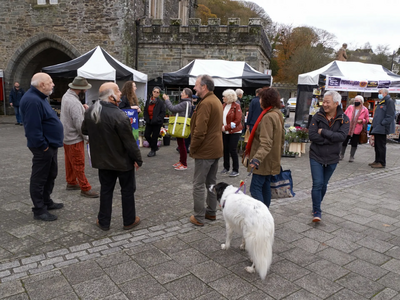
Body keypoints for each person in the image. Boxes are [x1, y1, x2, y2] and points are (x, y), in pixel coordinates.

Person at [81, 82, 143, 231]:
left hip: (103, 160)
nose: (120, 93)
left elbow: (84, 129)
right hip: (123, 161)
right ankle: (129, 220)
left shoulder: (91, 112)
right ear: (111, 96)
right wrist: (138, 160)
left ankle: (103, 221)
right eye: (117, 91)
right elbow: (130, 142)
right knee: (127, 191)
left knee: (106, 190)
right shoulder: (118, 115)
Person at [19, 73, 64, 221]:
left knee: (51, 174)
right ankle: (39, 210)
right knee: (40, 178)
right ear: (41, 85)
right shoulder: (32, 100)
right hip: (43, 147)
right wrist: (43, 146)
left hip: (50, 145)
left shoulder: (40, 97)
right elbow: (33, 128)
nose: (53, 84)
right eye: (50, 82)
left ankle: (46, 201)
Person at [309, 91, 349, 222]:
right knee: (317, 183)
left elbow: (342, 137)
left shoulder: (344, 118)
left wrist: (324, 132)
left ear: (336, 104)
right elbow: (312, 135)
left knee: (324, 184)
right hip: (316, 154)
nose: (324, 104)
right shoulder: (317, 116)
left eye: (327, 102)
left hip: (332, 157)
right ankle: (317, 211)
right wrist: (330, 139)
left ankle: (316, 203)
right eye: (323, 102)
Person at [189, 74, 223, 226]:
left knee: (198, 184)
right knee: (211, 183)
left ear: (204, 87)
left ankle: (199, 217)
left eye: (196, 85)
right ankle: (211, 212)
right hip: (215, 148)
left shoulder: (206, 103)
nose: (194, 88)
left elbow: (200, 131)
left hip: (205, 150)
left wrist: (193, 148)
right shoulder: (215, 100)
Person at [60, 76, 99, 198]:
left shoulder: (67, 96)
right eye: (85, 89)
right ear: (80, 89)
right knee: (78, 163)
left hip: (66, 136)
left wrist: (82, 109)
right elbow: (80, 125)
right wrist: (88, 138)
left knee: (70, 162)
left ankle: (71, 182)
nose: (86, 91)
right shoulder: (74, 102)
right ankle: (85, 188)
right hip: (74, 138)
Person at [246, 88, 284, 208]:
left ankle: (262, 215)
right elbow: (281, 138)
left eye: (261, 98)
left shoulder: (268, 117)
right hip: (272, 158)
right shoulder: (277, 113)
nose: (259, 101)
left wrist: (256, 159)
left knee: (255, 188)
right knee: (265, 186)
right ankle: (266, 213)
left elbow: (266, 142)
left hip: (264, 160)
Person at [163, 88, 193, 170]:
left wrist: (167, 100)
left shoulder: (185, 103)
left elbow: (172, 108)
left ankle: (184, 163)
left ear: (187, 95)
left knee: (182, 145)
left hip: (181, 125)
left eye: (183, 93)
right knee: (180, 144)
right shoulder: (187, 102)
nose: (181, 94)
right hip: (181, 124)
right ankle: (181, 161)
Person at [369, 88, 396, 168]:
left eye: (380, 93)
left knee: (381, 145)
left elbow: (390, 115)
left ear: (385, 93)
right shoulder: (381, 102)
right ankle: (377, 160)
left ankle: (381, 162)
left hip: (382, 127)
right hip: (377, 127)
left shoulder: (389, 102)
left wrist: (383, 123)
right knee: (377, 145)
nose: (378, 94)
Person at [220, 89, 243, 177]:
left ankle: (235, 169)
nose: (223, 98)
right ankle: (226, 167)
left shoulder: (236, 106)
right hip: (225, 131)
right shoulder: (223, 106)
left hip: (235, 131)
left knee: (232, 149)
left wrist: (225, 127)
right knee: (225, 149)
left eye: (224, 97)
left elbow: (237, 120)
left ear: (229, 97)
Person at [340, 95, 369, 162]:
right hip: (347, 127)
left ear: (361, 102)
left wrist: (362, 121)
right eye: (355, 100)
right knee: (344, 142)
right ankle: (341, 155)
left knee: (354, 143)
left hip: (357, 129)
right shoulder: (350, 107)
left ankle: (351, 156)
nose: (355, 102)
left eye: (357, 101)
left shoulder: (365, 110)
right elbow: (344, 115)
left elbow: (367, 119)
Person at [144, 86, 166, 157]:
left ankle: (153, 150)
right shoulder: (148, 101)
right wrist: (146, 118)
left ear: (159, 94)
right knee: (146, 135)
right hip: (149, 121)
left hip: (157, 123)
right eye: (154, 92)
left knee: (154, 137)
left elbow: (163, 112)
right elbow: (145, 110)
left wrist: (158, 119)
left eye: (157, 92)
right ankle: (154, 147)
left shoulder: (160, 103)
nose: (155, 93)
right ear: (152, 92)